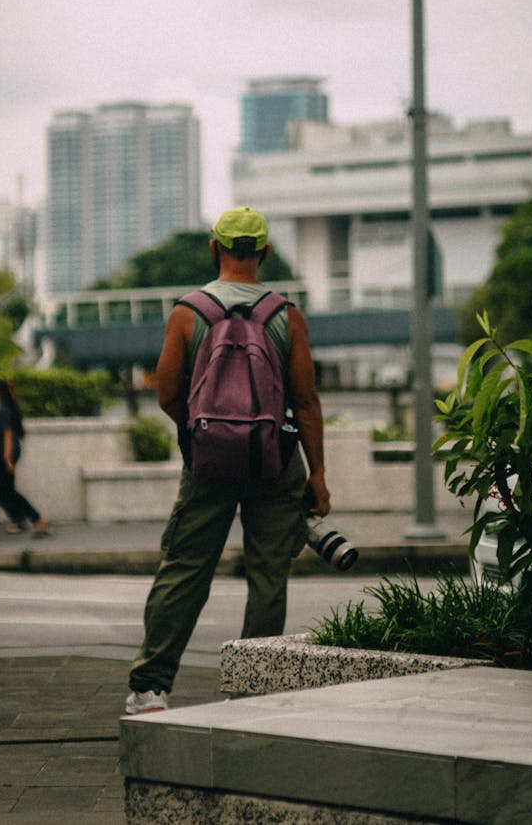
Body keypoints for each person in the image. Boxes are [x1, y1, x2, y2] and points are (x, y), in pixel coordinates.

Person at [126, 206, 330, 715]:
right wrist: (319, 476)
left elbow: (167, 393)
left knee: (185, 568)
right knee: (267, 574)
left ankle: (151, 688)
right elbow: (305, 403)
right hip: (275, 461)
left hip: (208, 461)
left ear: (215, 248)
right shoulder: (286, 315)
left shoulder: (188, 312)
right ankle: (253, 688)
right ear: (262, 252)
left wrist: (201, 431)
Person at [0, 379, 49, 541]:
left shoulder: (3, 411)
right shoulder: (8, 408)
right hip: (3, 455)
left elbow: (8, 434)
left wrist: (7, 459)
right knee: (6, 492)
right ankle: (36, 519)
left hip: (1, 456)